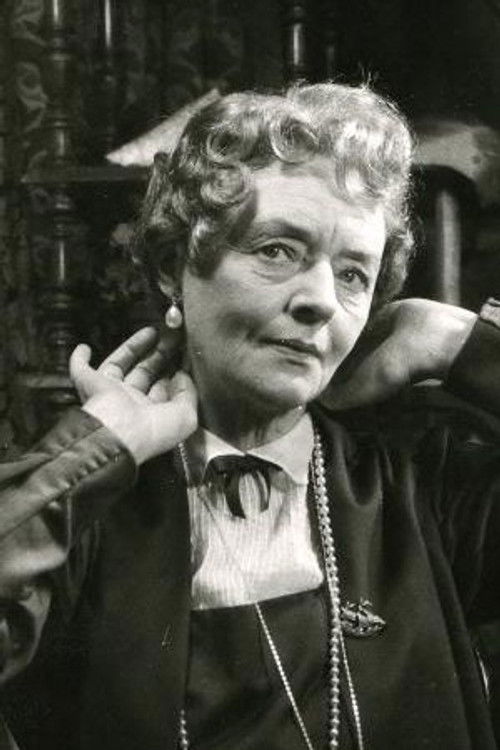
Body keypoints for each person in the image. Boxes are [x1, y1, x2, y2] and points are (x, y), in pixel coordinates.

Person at [0, 82, 499, 750]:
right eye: (277, 250)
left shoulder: (420, 487)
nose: (321, 300)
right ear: (174, 266)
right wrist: (94, 451)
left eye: (354, 274)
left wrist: (459, 342)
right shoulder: (89, 507)